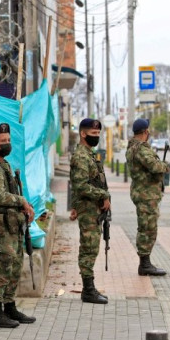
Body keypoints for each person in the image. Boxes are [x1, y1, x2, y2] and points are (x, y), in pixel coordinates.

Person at [0, 123, 36, 327]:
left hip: (13, 223)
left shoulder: (4, 165)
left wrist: (24, 207)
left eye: (8, 141)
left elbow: (11, 193)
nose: (7, 144)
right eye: (3, 142)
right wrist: (21, 201)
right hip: (1, 224)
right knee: (2, 266)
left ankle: (9, 307)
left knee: (14, 266)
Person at [69, 118, 110, 304]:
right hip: (89, 210)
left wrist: (75, 206)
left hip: (91, 209)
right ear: (83, 134)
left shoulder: (89, 155)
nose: (97, 137)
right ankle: (88, 290)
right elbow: (81, 186)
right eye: (93, 134)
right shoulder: (81, 157)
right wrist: (103, 194)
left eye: (98, 134)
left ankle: (89, 288)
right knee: (89, 248)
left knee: (92, 248)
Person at [126, 118, 169, 276]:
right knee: (148, 229)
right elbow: (155, 167)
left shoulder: (133, 147)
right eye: (148, 130)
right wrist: (165, 166)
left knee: (146, 227)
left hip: (142, 192)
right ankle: (145, 264)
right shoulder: (141, 149)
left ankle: (145, 262)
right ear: (145, 132)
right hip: (146, 195)